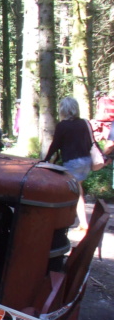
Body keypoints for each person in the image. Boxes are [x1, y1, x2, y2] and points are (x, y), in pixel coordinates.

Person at [43, 97, 97, 232]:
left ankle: (61, 223)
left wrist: (46, 160)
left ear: (63, 109)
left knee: (69, 193)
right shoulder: (85, 123)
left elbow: (55, 145)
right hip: (86, 161)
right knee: (78, 192)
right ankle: (83, 223)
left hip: (73, 163)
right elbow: (90, 142)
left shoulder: (62, 125)